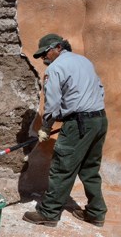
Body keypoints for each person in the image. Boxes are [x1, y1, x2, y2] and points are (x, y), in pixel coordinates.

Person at [23, 33, 108, 227]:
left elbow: (51, 103)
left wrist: (46, 126)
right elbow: (100, 88)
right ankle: (96, 212)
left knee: (62, 168)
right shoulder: (84, 61)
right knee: (89, 168)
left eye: (45, 53)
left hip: (79, 123)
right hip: (99, 119)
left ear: (58, 48)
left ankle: (49, 213)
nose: (44, 58)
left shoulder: (56, 68)